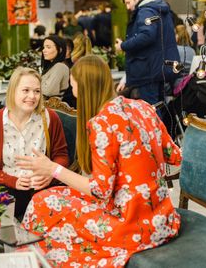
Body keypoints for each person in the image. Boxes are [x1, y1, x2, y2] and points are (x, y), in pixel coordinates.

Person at [17, 55, 182, 267]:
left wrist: (53, 169)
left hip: (132, 226)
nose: (73, 92)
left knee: (42, 204)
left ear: (85, 88)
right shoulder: (142, 107)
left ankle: (35, 261)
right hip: (164, 220)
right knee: (51, 196)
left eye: (73, 86)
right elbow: (175, 156)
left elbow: (100, 191)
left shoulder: (102, 122)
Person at [0, 67, 69, 220]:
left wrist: (50, 175)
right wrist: (14, 182)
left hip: (43, 187)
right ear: (13, 90)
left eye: (37, 91)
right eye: (25, 90)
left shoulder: (50, 118)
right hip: (7, 186)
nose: (32, 96)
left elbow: (62, 156)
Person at [115, 0, 179, 106]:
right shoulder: (157, 9)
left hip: (149, 70)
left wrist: (123, 46)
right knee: (158, 106)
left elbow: (147, 35)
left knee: (150, 110)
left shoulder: (145, 11)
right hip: (159, 68)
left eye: (128, 2)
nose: (128, 7)